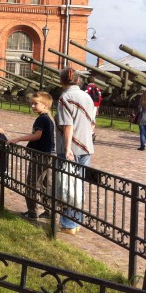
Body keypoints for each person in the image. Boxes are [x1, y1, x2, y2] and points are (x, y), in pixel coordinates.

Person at [55, 66, 96, 234]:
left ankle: (68, 224)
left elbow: (67, 125)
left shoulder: (65, 97)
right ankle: (77, 221)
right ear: (78, 80)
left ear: (61, 81)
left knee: (68, 185)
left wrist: (67, 148)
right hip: (86, 145)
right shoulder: (87, 96)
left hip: (71, 146)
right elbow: (92, 123)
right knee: (79, 185)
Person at [8, 91, 55, 219]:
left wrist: (18, 139)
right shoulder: (50, 118)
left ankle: (32, 211)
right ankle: (49, 211)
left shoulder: (42, 118)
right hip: (49, 154)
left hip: (40, 155)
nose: (32, 106)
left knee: (32, 183)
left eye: (35, 104)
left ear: (45, 105)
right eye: (32, 104)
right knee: (46, 184)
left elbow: (37, 135)